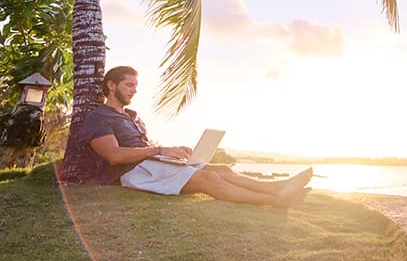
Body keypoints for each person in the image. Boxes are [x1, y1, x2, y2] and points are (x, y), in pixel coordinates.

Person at [59, 66, 311, 207]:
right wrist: (159, 151)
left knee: (220, 168)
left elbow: (145, 147)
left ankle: (278, 187)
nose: (134, 91)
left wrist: (171, 153)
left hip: (151, 164)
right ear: (111, 86)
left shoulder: (133, 116)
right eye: (129, 85)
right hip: (131, 172)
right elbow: (113, 156)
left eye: (136, 86)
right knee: (208, 179)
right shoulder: (99, 117)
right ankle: (276, 201)